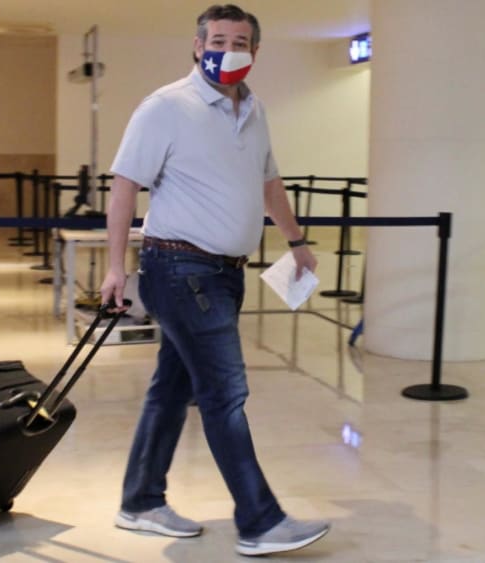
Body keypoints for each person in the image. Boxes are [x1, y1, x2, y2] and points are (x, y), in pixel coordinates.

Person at [98, 4, 329, 557]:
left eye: (240, 42)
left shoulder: (254, 109)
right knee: (225, 394)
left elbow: (269, 183)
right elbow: (124, 187)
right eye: (218, 40)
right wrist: (114, 266)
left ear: (255, 51)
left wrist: (296, 242)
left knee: (171, 389)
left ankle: (140, 501)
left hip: (224, 274)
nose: (228, 49)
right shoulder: (166, 107)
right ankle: (259, 521)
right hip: (180, 269)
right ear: (198, 46)